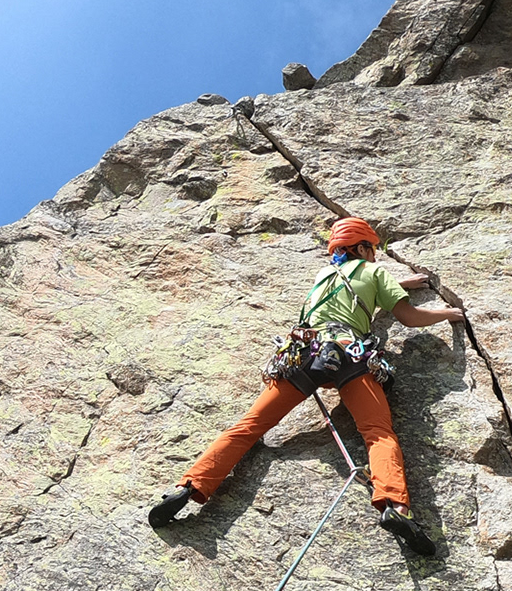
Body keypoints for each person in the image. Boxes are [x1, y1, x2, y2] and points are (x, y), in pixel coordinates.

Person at [147, 217, 466, 554]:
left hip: (303, 356)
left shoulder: (324, 274)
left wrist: (399, 284)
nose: (374, 255)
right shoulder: (375, 272)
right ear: (361, 248)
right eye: (371, 249)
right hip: (350, 358)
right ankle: (395, 507)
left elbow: (356, 288)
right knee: (378, 433)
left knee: (250, 425)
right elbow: (409, 317)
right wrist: (449, 314)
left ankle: (188, 486)